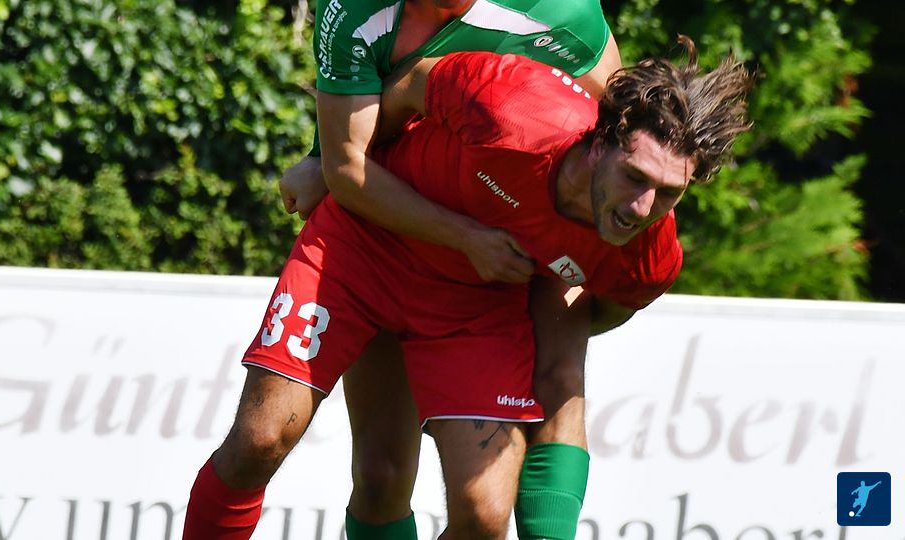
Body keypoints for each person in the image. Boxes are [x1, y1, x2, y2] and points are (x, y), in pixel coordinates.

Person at [183, 40, 752, 540]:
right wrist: (332, 160)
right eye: (634, 177)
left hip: (476, 305)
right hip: (362, 245)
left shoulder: (649, 257)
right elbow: (405, 85)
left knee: (483, 514)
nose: (642, 208)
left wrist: (537, 296)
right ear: (602, 142)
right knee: (262, 440)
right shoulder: (509, 101)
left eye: (668, 193)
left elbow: (594, 318)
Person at [284, 1, 625, 537]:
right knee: (379, 475)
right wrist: (323, 159)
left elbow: (628, 128)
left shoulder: (561, 11)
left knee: (560, 380)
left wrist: (580, 237)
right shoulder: (354, 11)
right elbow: (384, 102)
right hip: (407, 223)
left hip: (521, 239)